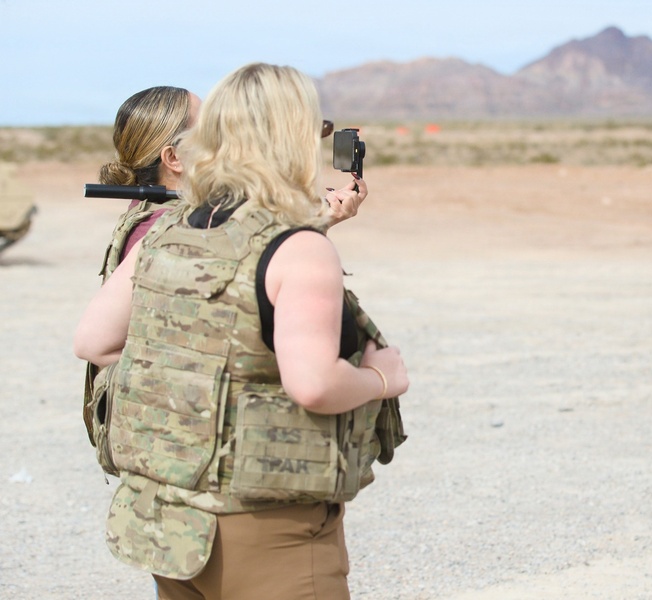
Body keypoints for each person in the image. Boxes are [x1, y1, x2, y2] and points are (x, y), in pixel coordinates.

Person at [74, 62, 409, 599]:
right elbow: (315, 385)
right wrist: (380, 378)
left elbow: (93, 342)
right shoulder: (298, 249)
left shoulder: (172, 227)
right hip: (269, 524)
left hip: (176, 525)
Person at [84, 86, 366, 477]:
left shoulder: (165, 216)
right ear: (174, 158)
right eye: (211, 128)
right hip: (190, 442)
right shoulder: (171, 228)